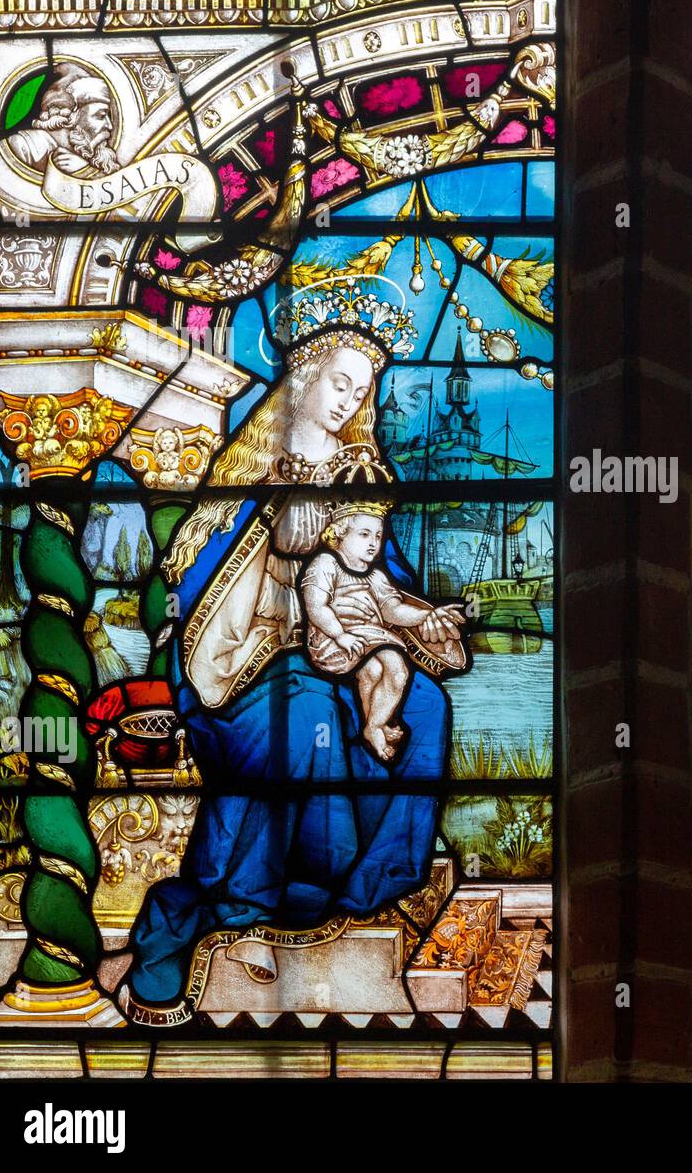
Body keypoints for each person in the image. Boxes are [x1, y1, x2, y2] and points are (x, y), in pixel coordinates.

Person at [120, 284, 460, 1025]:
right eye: (339, 382)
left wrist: (419, 620)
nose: (348, 401)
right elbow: (198, 579)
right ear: (304, 379)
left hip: (335, 656)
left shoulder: (357, 473)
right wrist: (279, 534)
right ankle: (268, 898)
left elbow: (380, 577)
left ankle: (376, 881)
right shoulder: (250, 471)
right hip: (236, 674)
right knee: (301, 717)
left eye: (361, 390)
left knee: (426, 703)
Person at [302, 502, 464, 761]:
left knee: (373, 671)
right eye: (364, 534)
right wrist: (340, 635)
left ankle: (373, 724)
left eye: (378, 536)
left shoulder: (376, 576)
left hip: (368, 637)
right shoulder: (325, 563)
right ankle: (376, 726)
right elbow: (316, 607)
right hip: (331, 641)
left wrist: (426, 614)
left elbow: (394, 611)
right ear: (339, 533)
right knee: (396, 667)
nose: (373, 543)